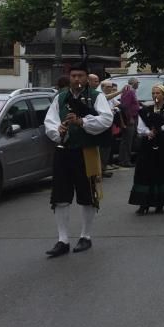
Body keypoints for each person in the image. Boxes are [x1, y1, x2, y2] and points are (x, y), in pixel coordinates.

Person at [42, 54, 113, 257]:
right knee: (61, 196)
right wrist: (59, 131)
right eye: (73, 76)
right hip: (64, 151)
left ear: (86, 78)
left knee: (87, 194)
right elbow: (49, 120)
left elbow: (106, 119)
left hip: (87, 151)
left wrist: (82, 122)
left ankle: (85, 236)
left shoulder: (96, 97)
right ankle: (62, 239)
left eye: (80, 76)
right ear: (69, 77)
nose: (77, 79)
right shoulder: (61, 97)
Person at [128, 84, 164, 214]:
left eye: (158, 93)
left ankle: (160, 202)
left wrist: (159, 129)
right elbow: (140, 128)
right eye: (153, 93)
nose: (155, 95)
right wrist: (148, 132)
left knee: (162, 173)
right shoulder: (145, 111)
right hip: (148, 147)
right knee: (145, 174)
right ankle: (144, 203)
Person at [117, 78, 140, 168]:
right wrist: (129, 118)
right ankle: (125, 161)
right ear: (134, 83)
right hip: (129, 119)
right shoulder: (129, 91)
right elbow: (125, 106)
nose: (138, 84)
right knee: (127, 140)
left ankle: (125, 159)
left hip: (134, 117)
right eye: (137, 83)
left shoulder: (132, 91)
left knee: (129, 139)